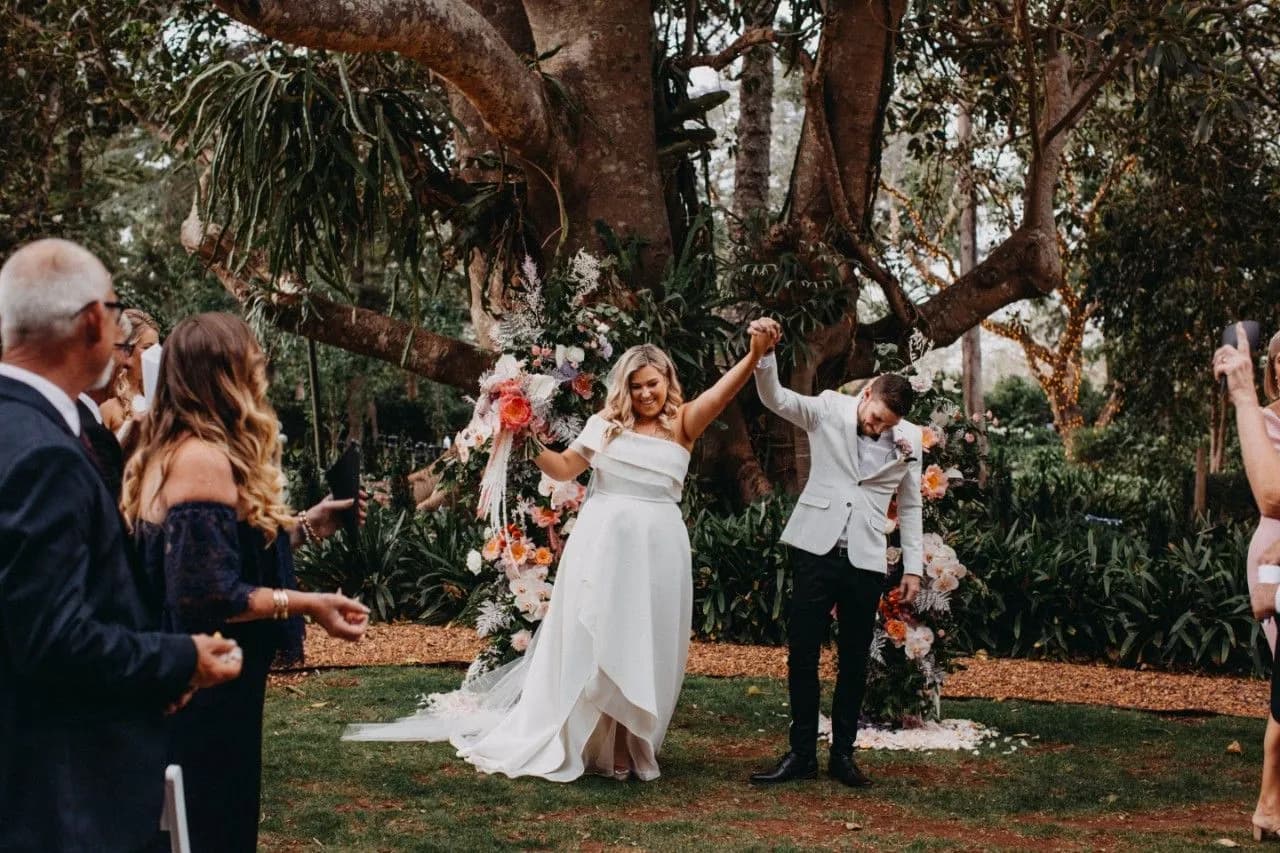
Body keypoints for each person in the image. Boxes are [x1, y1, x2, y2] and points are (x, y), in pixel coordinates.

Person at [345, 335, 773, 781]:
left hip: (660, 549)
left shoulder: (684, 424)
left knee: (645, 640)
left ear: (668, 382)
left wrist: (753, 355)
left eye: (653, 384)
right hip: (603, 546)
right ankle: (595, 742)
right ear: (624, 389)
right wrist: (524, 441)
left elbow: (723, 393)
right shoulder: (605, 425)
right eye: (637, 386)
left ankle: (631, 743)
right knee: (603, 637)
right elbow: (566, 467)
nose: (646, 394)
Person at [0, 239, 243, 853]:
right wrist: (175, 659)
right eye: (113, 311)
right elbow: (53, 639)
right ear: (90, 321)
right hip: (55, 790)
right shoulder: (43, 456)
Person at [120, 312, 370, 852]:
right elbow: (207, 594)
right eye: (250, 355)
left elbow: (215, 556)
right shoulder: (201, 459)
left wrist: (306, 525)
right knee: (214, 827)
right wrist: (309, 603)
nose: (261, 364)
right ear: (225, 374)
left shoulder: (175, 450)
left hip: (209, 683)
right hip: (207, 692)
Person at [746, 316, 923, 789]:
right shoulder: (827, 408)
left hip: (865, 558)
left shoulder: (911, 442)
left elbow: (911, 503)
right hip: (815, 548)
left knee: (854, 659)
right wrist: (764, 355)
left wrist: (915, 568)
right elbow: (775, 398)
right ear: (866, 395)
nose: (875, 426)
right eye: (874, 416)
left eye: (886, 424)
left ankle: (843, 755)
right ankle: (801, 753)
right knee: (802, 652)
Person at [1215, 325, 1280, 843]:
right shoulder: (1269, 421)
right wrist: (1244, 399)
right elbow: (1273, 497)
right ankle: (1267, 807)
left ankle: (1267, 808)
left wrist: (1242, 393)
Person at [101, 308, 160, 433]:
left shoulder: (158, 401)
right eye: (147, 348)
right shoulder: (108, 405)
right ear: (127, 351)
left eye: (156, 348)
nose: (154, 355)